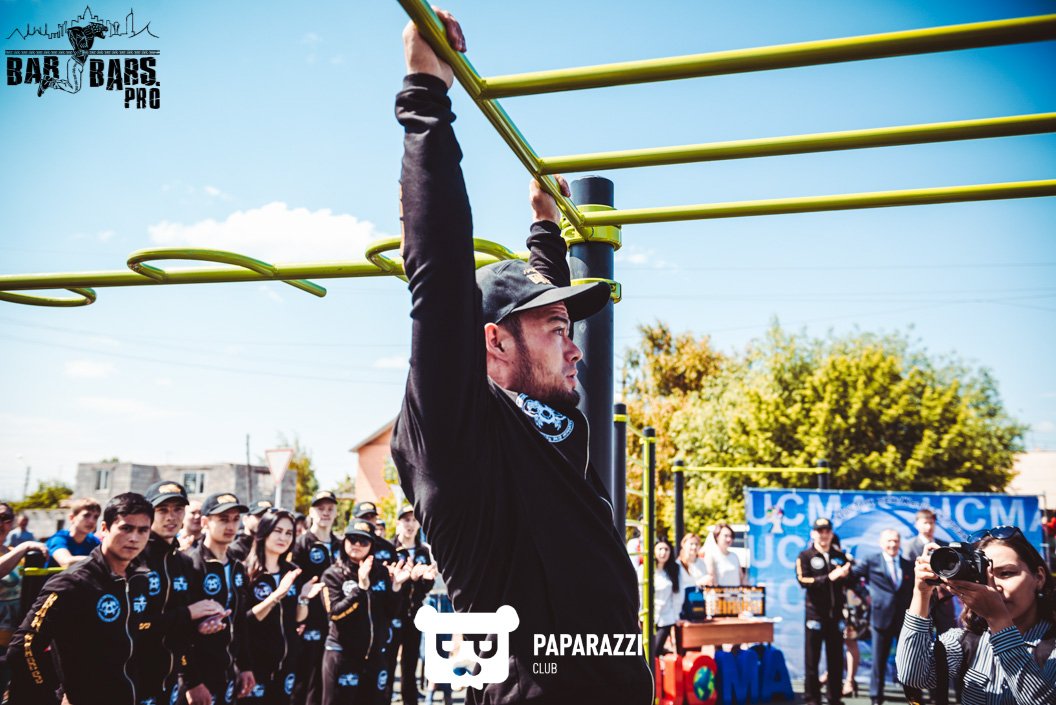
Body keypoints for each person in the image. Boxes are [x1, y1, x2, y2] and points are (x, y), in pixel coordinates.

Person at [389, 10, 652, 703]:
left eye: (569, 328)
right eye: (557, 330)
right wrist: (426, 90)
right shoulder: (457, 435)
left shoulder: (552, 427)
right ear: (493, 342)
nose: (575, 349)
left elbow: (530, 311)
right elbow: (441, 278)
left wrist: (545, 226)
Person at [7, 493, 170, 704]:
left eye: (143, 530)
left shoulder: (140, 579)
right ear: (105, 529)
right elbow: (24, 647)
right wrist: (49, 697)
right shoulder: (73, 582)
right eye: (126, 528)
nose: (134, 538)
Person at [896, 525, 1056, 703]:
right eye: (984, 577)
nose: (994, 586)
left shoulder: (1052, 647)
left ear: (1039, 577)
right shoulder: (968, 640)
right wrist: (921, 594)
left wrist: (998, 621)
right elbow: (914, 676)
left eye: (1006, 573)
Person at [141, 480, 229, 705]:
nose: (171, 517)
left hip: (170, 676)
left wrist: (202, 624)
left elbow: (182, 632)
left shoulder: (183, 562)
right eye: (162, 510)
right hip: (133, 675)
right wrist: (189, 613)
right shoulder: (134, 559)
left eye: (178, 509)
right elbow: (137, 626)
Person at [321, 518, 412, 705]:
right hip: (342, 655)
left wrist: (396, 587)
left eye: (363, 541)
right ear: (344, 541)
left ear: (372, 545)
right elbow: (335, 614)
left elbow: (391, 613)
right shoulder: (333, 574)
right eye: (352, 539)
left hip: (374, 656)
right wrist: (360, 588)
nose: (357, 544)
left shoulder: (381, 572)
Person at [184, 492, 256, 703]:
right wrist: (192, 682)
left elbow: (240, 620)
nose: (231, 526)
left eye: (235, 519)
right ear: (205, 522)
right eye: (223, 519)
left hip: (228, 671)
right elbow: (179, 630)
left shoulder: (236, 566)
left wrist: (245, 666)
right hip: (198, 675)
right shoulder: (191, 564)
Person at [245, 508, 321, 704]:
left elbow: (298, 618)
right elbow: (247, 620)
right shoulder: (247, 571)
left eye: (289, 533)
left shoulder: (292, 572)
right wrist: (277, 595)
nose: (283, 538)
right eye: (277, 531)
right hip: (255, 664)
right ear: (264, 532)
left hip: (287, 663)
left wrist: (303, 599)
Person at [291, 489, 343, 705]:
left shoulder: (341, 545)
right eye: (320, 508)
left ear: (336, 512)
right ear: (311, 512)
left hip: (336, 623)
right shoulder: (301, 544)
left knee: (328, 682)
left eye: (330, 508)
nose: (326, 513)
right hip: (309, 621)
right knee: (306, 679)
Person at [851, 528, 913, 705]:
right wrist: (866, 595)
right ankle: (876, 697)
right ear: (881, 543)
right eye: (889, 541)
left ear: (899, 543)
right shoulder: (872, 560)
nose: (892, 544)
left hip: (904, 619)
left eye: (895, 541)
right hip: (880, 618)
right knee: (878, 661)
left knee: (909, 661)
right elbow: (852, 577)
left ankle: (913, 697)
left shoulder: (908, 564)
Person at [796, 517, 853, 705]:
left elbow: (849, 583)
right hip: (815, 616)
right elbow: (803, 580)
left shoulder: (839, 555)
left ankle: (834, 698)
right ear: (813, 534)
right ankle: (812, 699)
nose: (824, 535)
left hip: (835, 616)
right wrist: (829, 577)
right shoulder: (805, 556)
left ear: (831, 533)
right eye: (820, 531)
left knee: (836, 661)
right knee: (812, 661)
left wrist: (847, 573)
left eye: (827, 531)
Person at [390, 504, 437, 705]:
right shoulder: (390, 549)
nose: (410, 525)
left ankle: (410, 700)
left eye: (414, 520)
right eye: (406, 520)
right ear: (398, 523)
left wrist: (425, 579)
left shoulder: (423, 551)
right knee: (388, 663)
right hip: (392, 614)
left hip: (414, 615)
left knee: (410, 664)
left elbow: (426, 587)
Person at [0, 502, 48, 696]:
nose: (1, 523)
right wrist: (24, 546)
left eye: (6, 518)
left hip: (11, 636)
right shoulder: (18, 551)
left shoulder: (14, 552)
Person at [904, 508, 956, 633]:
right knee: (920, 635)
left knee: (948, 635)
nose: (929, 527)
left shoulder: (944, 545)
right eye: (925, 523)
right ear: (917, 524)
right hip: (921, 599)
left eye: (931, 523)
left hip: (944, 600)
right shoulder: (910, 546)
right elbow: (908, 575)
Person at [37, 21, 106, 96]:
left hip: (77, 63)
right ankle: (48, 83)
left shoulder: (89, 37)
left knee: (72, 86)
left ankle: (49, 82)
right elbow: (72, 33)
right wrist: (79, 47)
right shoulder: (86, 35)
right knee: (74, 88)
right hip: (75, 63)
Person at [640, 538, 681, 659]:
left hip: (665, 618)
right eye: (660, 549)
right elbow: (640, 592)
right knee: (644, 651)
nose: (663, 552)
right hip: (648, 617)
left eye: (666, 549)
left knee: (654, 651)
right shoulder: (644, 569)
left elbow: (676, 595)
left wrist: (676, 616)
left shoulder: (674, 569)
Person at [45, 497, 101, 568]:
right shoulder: (59, 539)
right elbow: (66, 562)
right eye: (86, 515)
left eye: (96, 517)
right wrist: (98, 560)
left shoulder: (93, 541)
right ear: (72, 518)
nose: (92, 521)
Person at [704, 522, 746, 587]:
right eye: (726, 536)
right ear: (717, 536)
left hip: (736, 593)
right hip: (720, 593)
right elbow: (711, 579)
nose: (729, 539)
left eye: (731, 536)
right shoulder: (711, 556)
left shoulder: (734, 556)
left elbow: (741, 578)